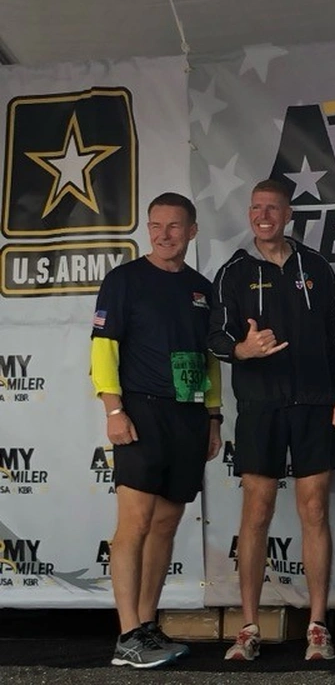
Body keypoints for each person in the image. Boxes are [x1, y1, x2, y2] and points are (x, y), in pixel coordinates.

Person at [208, 179, 335, 662]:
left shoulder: (316, 267)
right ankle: (248, 627)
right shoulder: (232, 272)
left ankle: (316, 626)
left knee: (314, 513)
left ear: (288, 214)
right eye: (255, 208)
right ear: (249, 214)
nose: (263, 215)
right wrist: (241, 350)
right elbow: (214, 337)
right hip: (261, 407)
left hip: (314, 404)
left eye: (272, 208)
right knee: (257, 512)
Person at [91, 192, 223, 669]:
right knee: (135, 524)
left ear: (191, 230)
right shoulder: (124, 280)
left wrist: (213, 416)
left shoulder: (202, 288)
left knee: (167, 523)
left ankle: (146, 625)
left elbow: (209, 358)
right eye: (156, 225)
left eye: (174, 226)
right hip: (141, 412)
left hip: (188, 414)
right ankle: (126, 634)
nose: (164, 234)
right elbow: (103, 346)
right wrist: (113, 409)